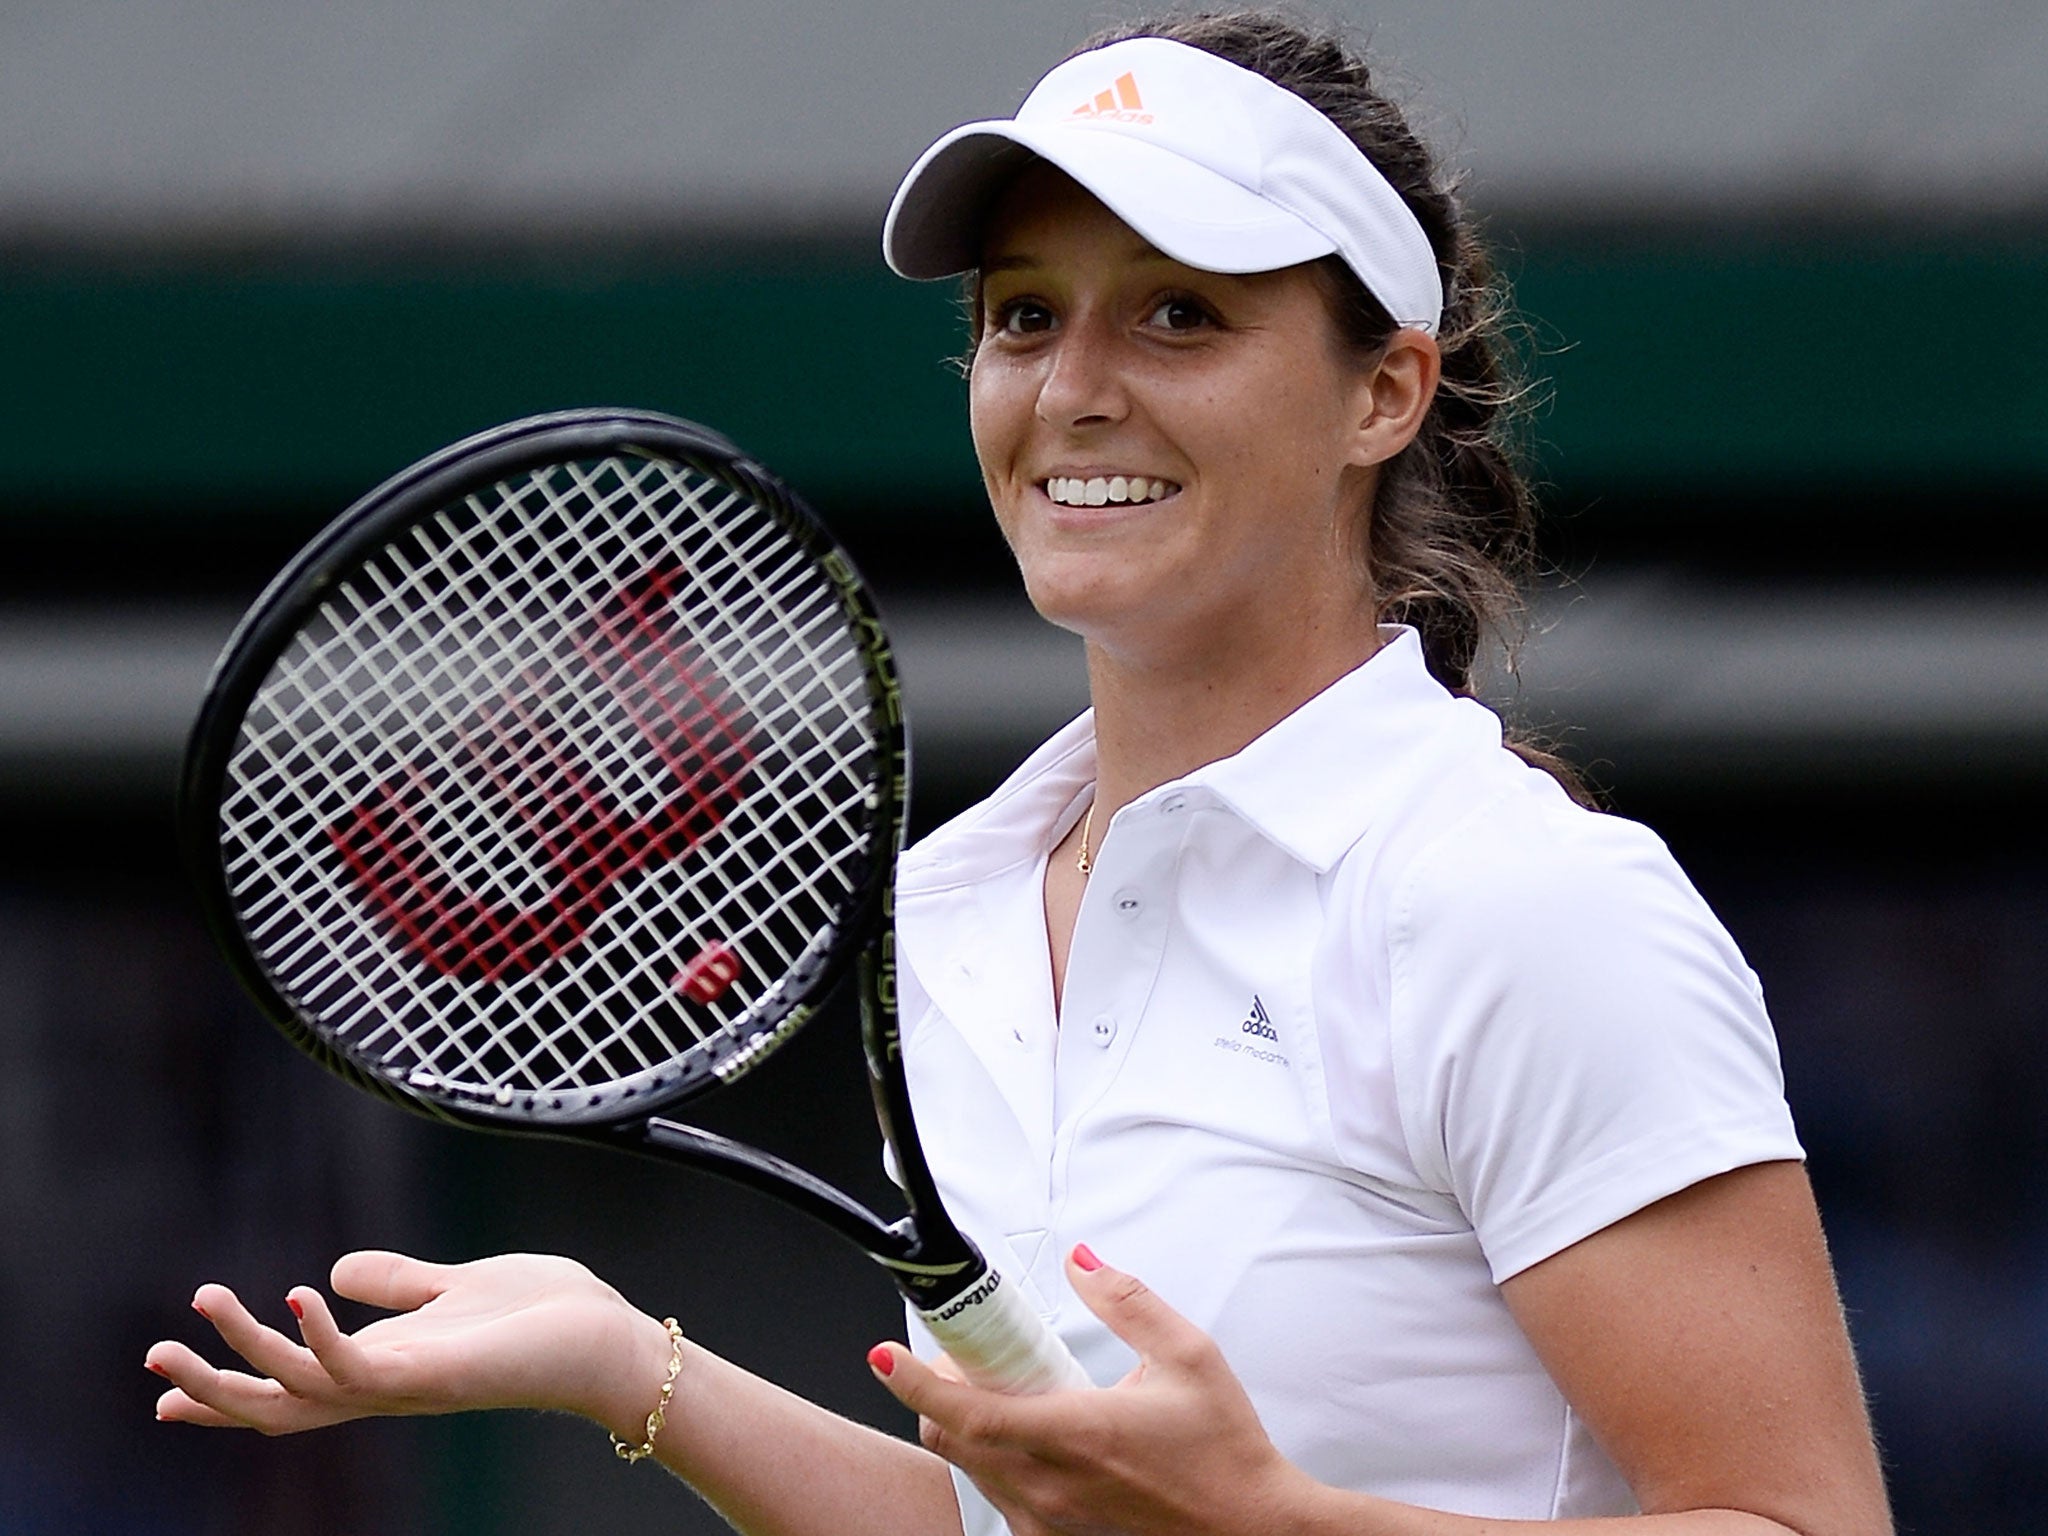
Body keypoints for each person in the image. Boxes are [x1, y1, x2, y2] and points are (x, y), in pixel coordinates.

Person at [147, 12, 1893, 1534]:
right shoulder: (958, 918)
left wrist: (1273, 1526)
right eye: (1023, 314)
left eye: (1181, 317)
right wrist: (630, 1366)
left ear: (1385, 396)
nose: (1073, 389)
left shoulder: (1522, 904)